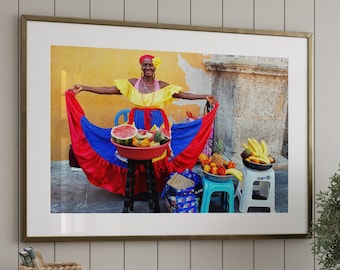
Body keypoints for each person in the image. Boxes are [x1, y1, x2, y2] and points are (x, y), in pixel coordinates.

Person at [65, 54, 219, 196]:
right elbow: (108, 90)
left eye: (151, 65)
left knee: (157, 156)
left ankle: (155, 187)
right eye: (145, 65)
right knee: (136, 155)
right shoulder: (132, 83)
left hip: (157, 125)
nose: (148, 68)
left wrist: (204, 96)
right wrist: (84, 87)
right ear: (141, 67)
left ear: (155, 67)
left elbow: (182, 94)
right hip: (136, 124)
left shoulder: (162, 85)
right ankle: (136, 189)